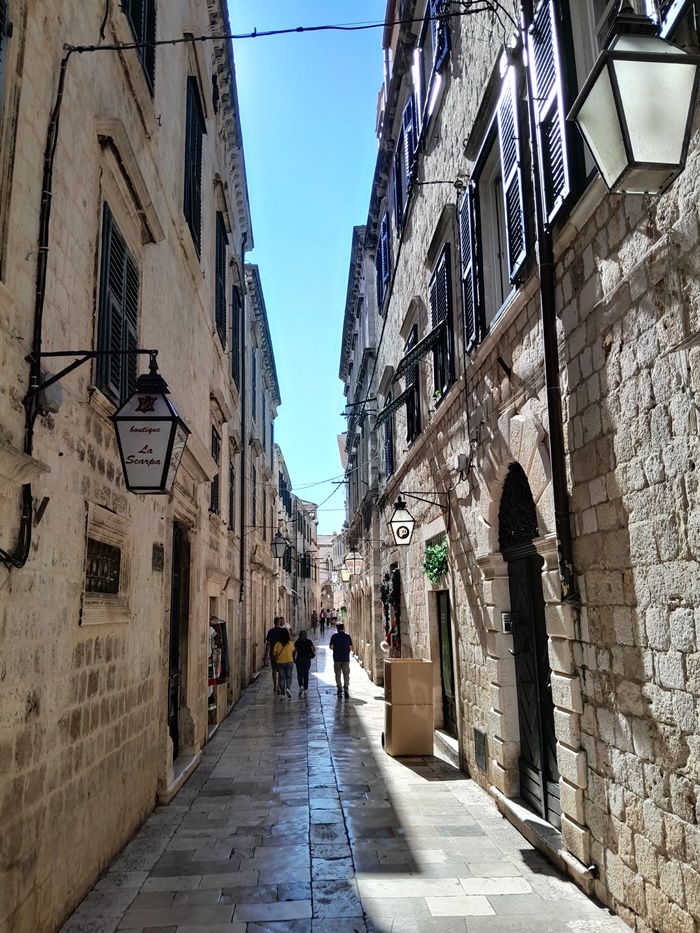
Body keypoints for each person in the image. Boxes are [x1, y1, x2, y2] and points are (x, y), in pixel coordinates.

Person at [329, 621, 353, 698]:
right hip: (345, 658)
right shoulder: (347, 636)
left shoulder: (334, 636)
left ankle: (339, 689)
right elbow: (350, 647)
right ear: (343, 628)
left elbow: (331, 647)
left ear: (337, 629)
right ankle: (346, 687)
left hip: (337, 658)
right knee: (346, 674)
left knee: (337, 674)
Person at [272, 628, 294, 699]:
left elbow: (274, 654)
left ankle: (283, 694)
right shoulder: (290, 644)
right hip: (289, 662)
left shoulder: (277, 644)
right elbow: (293, 651)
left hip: (280, 663)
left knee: (282, 678)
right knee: (289, 676)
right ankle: (288, 688)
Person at [263, 617, 283, 694]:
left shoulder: (271, 631)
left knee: (274, 669)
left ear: (274, 622)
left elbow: (268, 643)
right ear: (279, 622)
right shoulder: (282, 631)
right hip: (281, 653)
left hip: (273, 653)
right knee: (281, 670)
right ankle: (278, 687)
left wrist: (266, 653)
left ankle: (275, 686)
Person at [294, 630, 315, 696]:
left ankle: (301, 685)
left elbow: (294, 651)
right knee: (306, 673)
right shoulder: (309, 642)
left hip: (299, 659)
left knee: (300, 673)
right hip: (307, 659)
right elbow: (313, 650)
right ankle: (306, 689)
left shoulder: (297, 642)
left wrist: (293, 658)